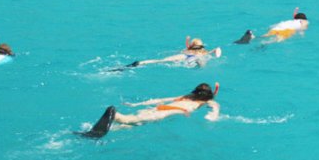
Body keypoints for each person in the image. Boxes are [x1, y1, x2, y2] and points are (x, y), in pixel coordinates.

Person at [79, 82, 221, 138]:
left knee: (131, 126)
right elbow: (214, 108)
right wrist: (212, 117)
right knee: (128, 120)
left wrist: (137, 105)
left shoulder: (187, 96)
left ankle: (88, 133)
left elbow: (161, 99)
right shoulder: (207, 101)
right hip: (166, 112)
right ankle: (113, 112)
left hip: (157, 108)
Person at [107, 36, 222, 71]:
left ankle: (140, 63)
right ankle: (197, 63)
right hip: (195, 57)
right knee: (201, 64)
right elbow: (213, 52)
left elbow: (180, 51)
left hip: (183, 55)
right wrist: (215, 50)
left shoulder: (186, 50)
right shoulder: (203, 52)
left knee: (160, 61)